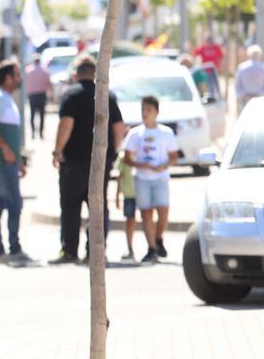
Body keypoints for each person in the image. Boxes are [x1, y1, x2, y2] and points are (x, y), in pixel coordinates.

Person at [50, 55, 126, 264]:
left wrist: (57, 151)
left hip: (74, 162)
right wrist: (112, 152)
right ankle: (95, 252)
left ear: (76, 73)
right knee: (98, 208)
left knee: (70, 207)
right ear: (95, 73)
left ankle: (69, 251)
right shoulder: (106, 96)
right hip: (100, 163)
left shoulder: (70, 95)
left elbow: (66, 124)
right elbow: (119, 129)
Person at [0, 60, 29, 264]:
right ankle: (13, 248)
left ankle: (0, 250)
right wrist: (5, 148)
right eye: (17, 75)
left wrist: (17, 160)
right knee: (14, 204)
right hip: (1, 163)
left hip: (7, 163)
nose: (20, 79)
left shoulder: (6, 99)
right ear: (8, 78)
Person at [123, 96, 180, 262]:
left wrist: (163, 166)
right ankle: (151, 247)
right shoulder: (135, 133)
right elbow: (127, 157)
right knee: (146, 213)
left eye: (149, 110)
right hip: (142, 179)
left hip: (160, 177)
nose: (145, 113)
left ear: (156, 112)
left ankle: (159, 237)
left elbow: (174, 156)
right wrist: (140, 165)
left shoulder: (166, 133)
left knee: (163, 212)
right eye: (143, 110)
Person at [235, 44, 264, 114]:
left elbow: (237, 87)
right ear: (260, 55)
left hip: (245, 100)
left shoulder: (241, 67)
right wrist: (259, 95)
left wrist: (245, 95)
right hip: (260, 100)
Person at [112, 156, 137, 260]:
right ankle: (130, 248)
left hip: (144, 192)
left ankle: (152, 247)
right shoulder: (123, 157)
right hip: (129, 195)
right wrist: (117, 196)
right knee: (130, 221)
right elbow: (120, 177)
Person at [25, 54, 52, 139]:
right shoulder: (45, 70)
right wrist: (51, 94)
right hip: (42, 95)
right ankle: (40, 133)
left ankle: (33, 132)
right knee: (42, 115)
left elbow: (26, 83)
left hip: (32, 95)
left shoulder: (28, 71)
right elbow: (49, 83)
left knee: (32, 115)